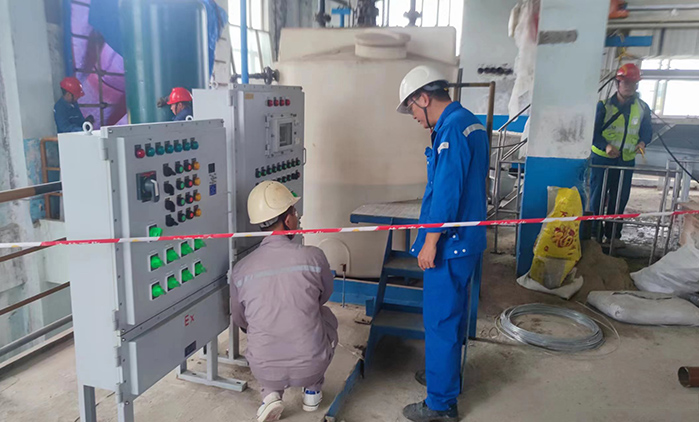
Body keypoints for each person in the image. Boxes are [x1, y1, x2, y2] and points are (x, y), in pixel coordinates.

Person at [396, 65, 488, 422]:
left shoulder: (450, 129)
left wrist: (430, 241)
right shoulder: (471, 122)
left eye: (412, 108)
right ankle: (445, 377)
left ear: (424, 97)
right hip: (468, 240)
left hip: (450, 244)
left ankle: (440, 404)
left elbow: (447, 192)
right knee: (454, 316)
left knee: (440, 321)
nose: (414, 117)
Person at [230, 181, 338, 422]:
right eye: (295, 213)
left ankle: (270, 394)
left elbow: (240, 319)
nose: (297, 218)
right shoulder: (314, 256)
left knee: (261, 329)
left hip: (263, 368)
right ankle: (312, 390)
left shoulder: (241, 269)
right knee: (325, 316)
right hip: (310, 365)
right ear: (288, 220)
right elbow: (324, 296)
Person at [590, 63, 652, 247]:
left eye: (632, 83)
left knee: (619, 199)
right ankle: (594, 234)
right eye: (625, 82)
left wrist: (642, 142)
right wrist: (606, 146)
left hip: (626, 160)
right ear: (618, 83)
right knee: (597, 197)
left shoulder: (642, 108)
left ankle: (613, 236)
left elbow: (647, 131)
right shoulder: (603, 106)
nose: (629, 86)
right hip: (602, 159)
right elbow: (592, 133)